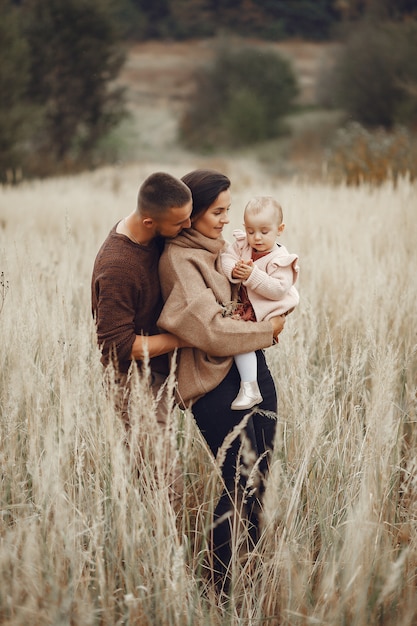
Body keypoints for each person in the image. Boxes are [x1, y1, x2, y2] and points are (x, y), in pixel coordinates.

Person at [157, 169, 286, 591]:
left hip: (250, 367)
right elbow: (209, 329)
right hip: (212, 382)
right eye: (218, 211)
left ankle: (251, 567)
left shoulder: (221, 246)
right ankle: (219, 585)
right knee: (238, 477)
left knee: (261, 470)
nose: (226, 220)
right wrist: (268, 331)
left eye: (229, 210)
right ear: (190, 213)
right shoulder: (180, 259)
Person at [91, 171, 193, 499]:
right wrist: (188, 337)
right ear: (149, 222)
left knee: (154, 474)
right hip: (133, 383)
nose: (187, 227)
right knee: (162, 481)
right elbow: (118, 346)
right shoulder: (119, 267)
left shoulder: (153, 232)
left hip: (156, 372)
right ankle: (171, 546)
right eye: (180, 223)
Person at [221, 196, 299, 411]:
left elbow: (278, 290)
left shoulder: (280, 258)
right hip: (244, 307)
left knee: (242, 340)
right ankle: (249, 385)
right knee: (240, 339)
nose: (256, 238)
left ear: (279, 229)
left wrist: (252, 275)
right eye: (250, 231)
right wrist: (234, 269)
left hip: (264, 310)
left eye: (264, 232)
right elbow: (226, 258)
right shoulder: (243, 245)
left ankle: (250, 387)